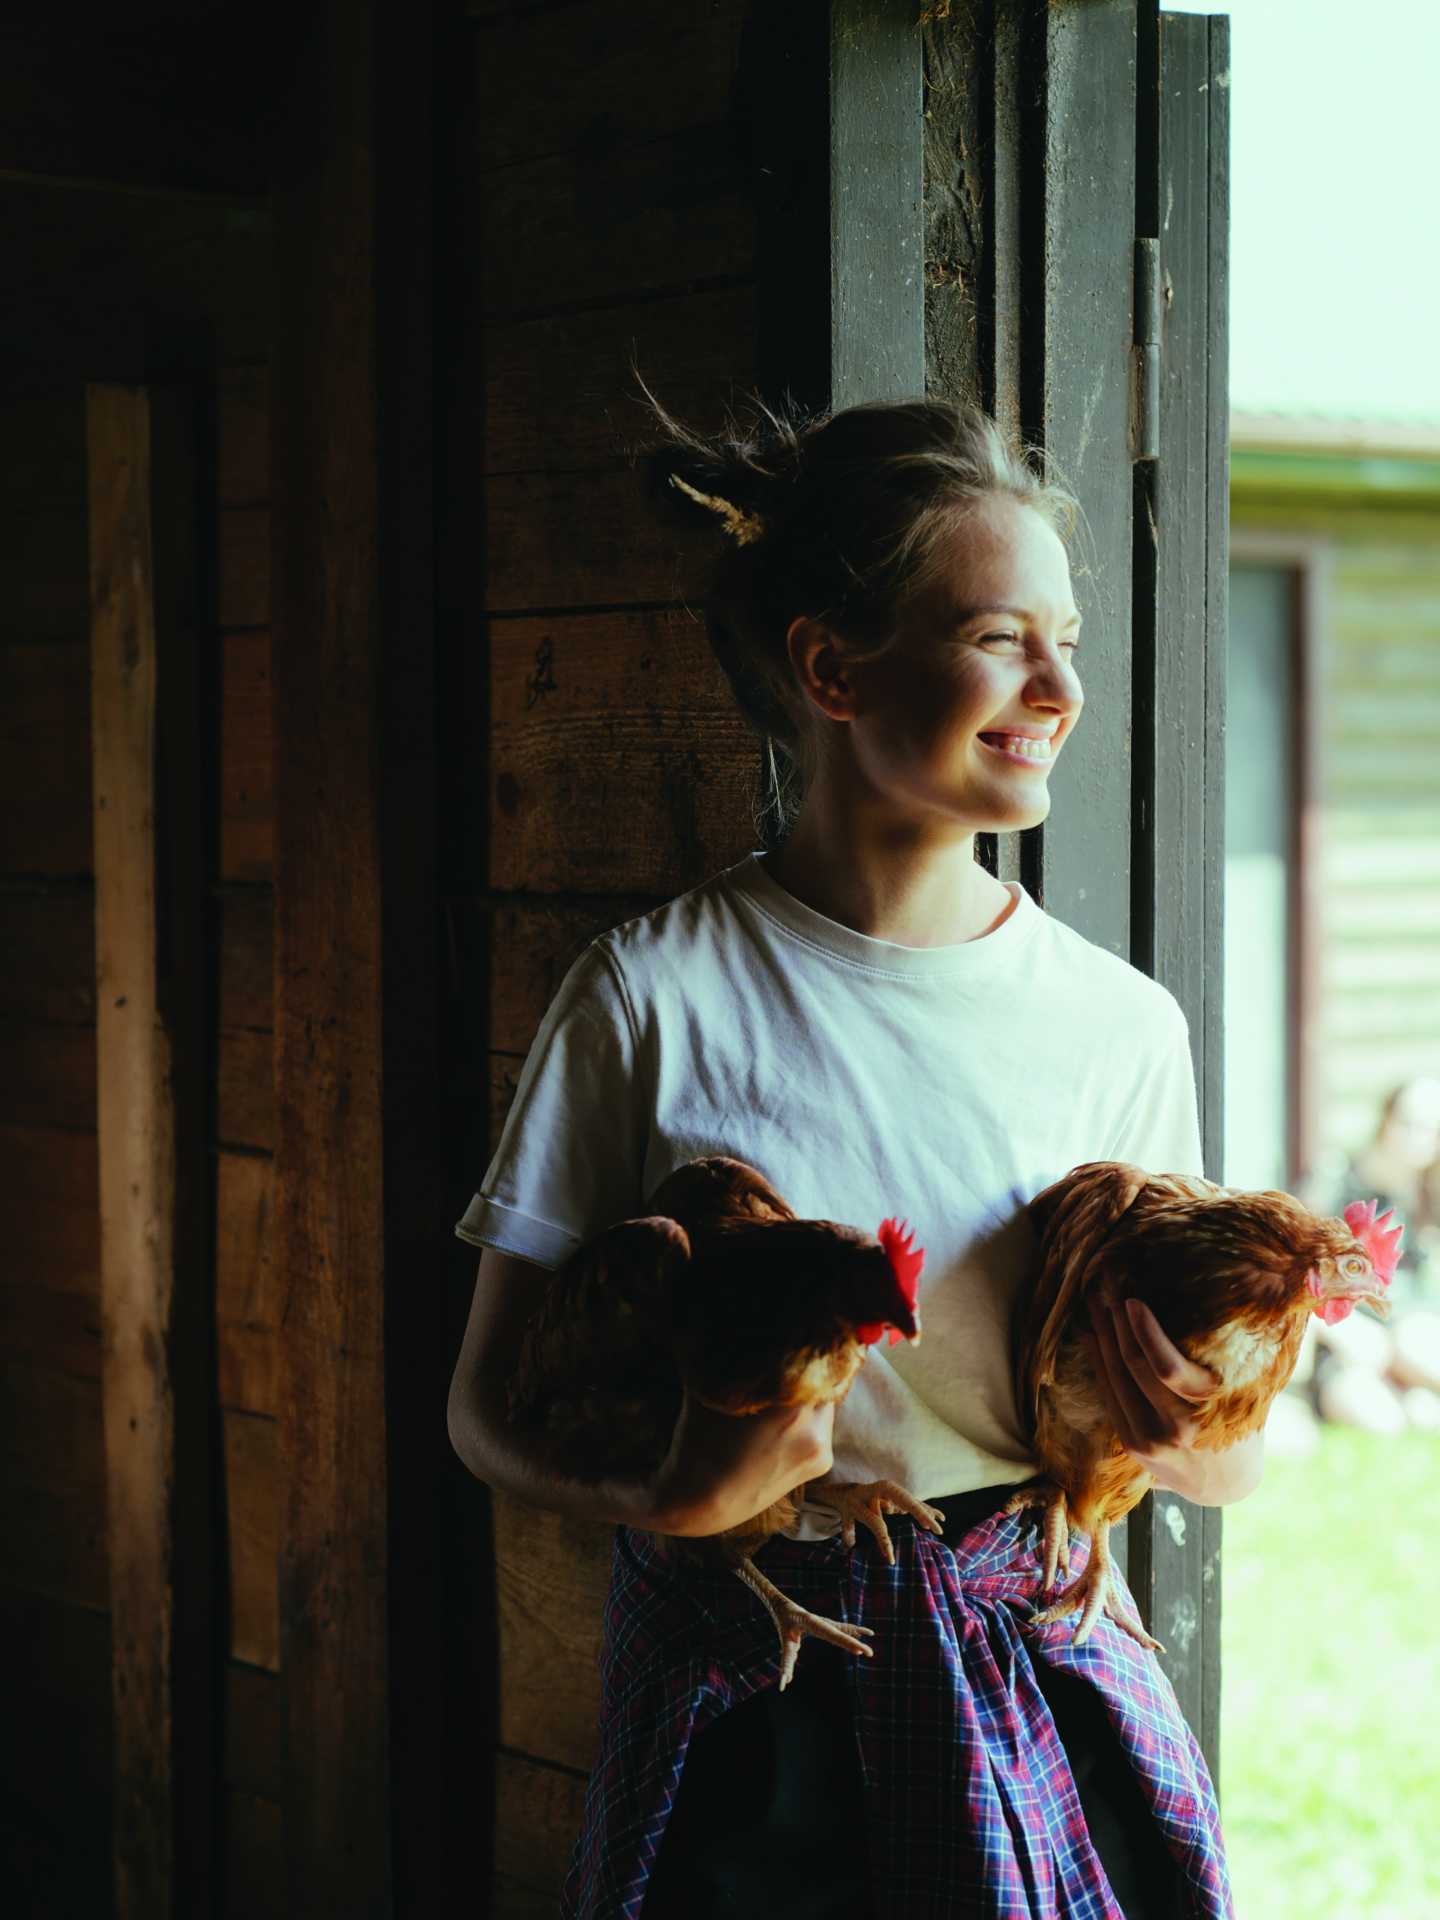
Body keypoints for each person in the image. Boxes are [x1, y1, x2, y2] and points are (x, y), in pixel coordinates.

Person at [447, 392, 1263, 1919]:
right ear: (833, 666)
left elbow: (1222, 1459)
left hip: (1042, 1691)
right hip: (753, 1707)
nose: (1061, 683)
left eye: (1069, 638)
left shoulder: (1118, 1024)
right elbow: (484, 1411)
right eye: (1003, 635)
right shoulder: (651, 998)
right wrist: (674, 1494)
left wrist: (1187, 1423)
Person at [1300, 1076, 1440, 1433]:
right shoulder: (1335, 1182)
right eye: (1407, 1123)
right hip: (1345, 1337)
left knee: (1416, 1358)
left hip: (1408, 1331)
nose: (1416, 1137)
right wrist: (1345, 1333)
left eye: (1429, 1128)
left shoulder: (1428, 1192)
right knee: (1379, 1420)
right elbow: (1292, 1273)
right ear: (1386, 1120)